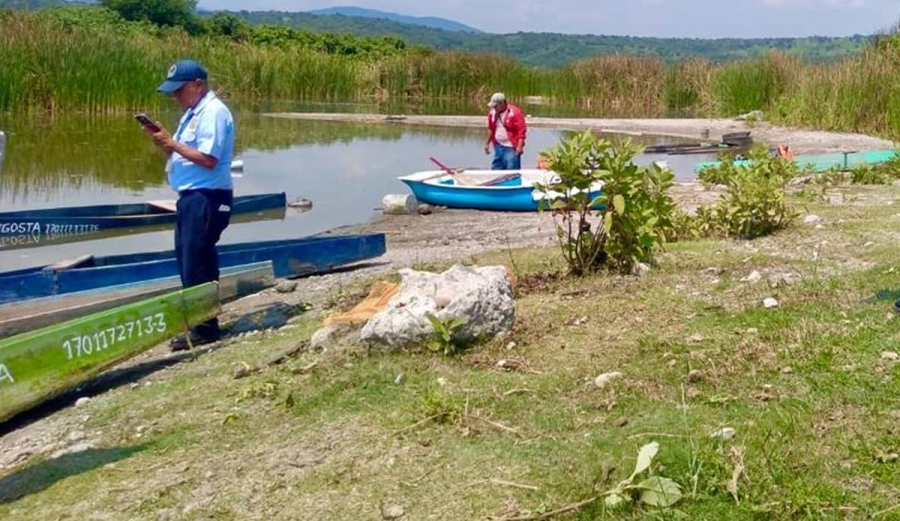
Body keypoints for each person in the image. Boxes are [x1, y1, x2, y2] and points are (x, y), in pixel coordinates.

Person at [142, 59, 235, 351]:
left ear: (198, 85)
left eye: (179, 90)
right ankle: (199, 322)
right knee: (187, 260)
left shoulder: (214, 113)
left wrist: (171, 144)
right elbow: (185, 156)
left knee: (198, 262)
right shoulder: (193, 113)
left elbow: (208, 159)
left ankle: (205, 328)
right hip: (191, 197)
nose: (175, 96)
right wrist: (166, 144)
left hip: (207, 197)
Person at [483, 92, 527, 170]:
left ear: (502, 103)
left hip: (511, 147)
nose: (494, 108)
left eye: (496, 106)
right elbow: (491, 128)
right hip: (498, 146)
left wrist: (519, 146)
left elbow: (521, 130)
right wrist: (487, 143)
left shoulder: (515, 112)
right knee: (496, 168)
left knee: (511, 169)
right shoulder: (492, 113)